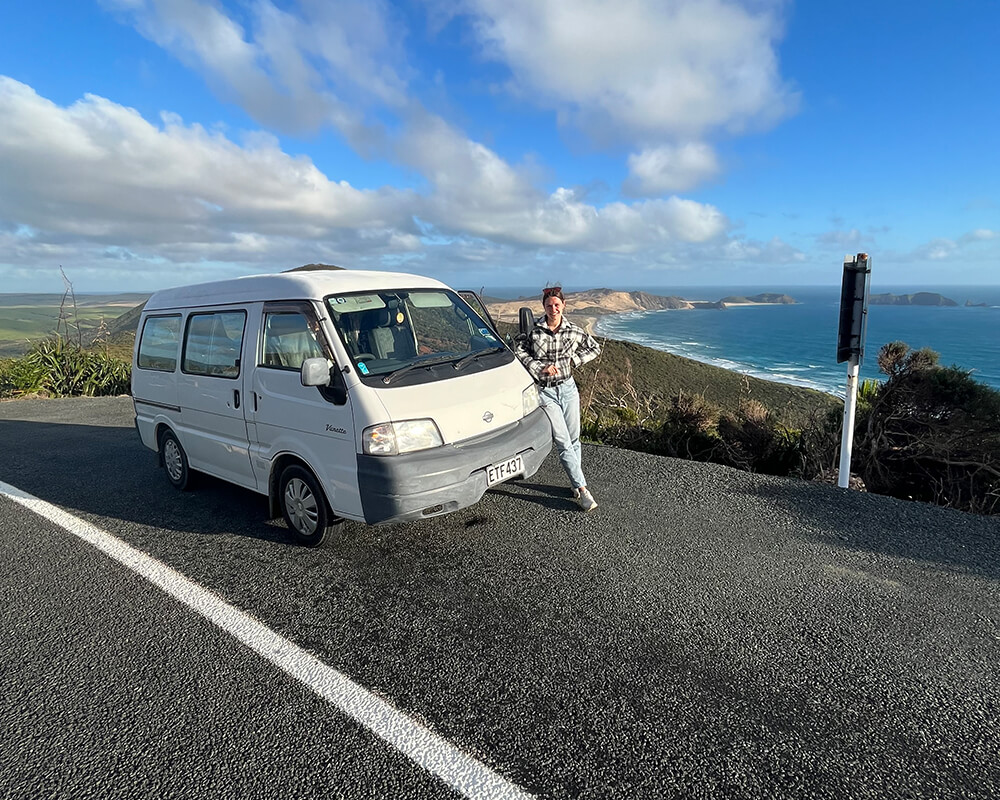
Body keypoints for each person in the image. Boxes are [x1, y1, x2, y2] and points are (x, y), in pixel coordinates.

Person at [515, 286, 602, 512]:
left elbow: (594, 348)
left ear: (563, 305)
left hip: (568, 389)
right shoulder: (535, 331)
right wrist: (538, 367)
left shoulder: (573, 330)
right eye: (548, 305)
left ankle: (575, 482)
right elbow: (520, 351)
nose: (553, 309)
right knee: (563, 441)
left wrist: (575, 360)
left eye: (556, 305)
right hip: (545, 392)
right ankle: (583, 491)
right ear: (543, 307)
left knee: (574, 439)